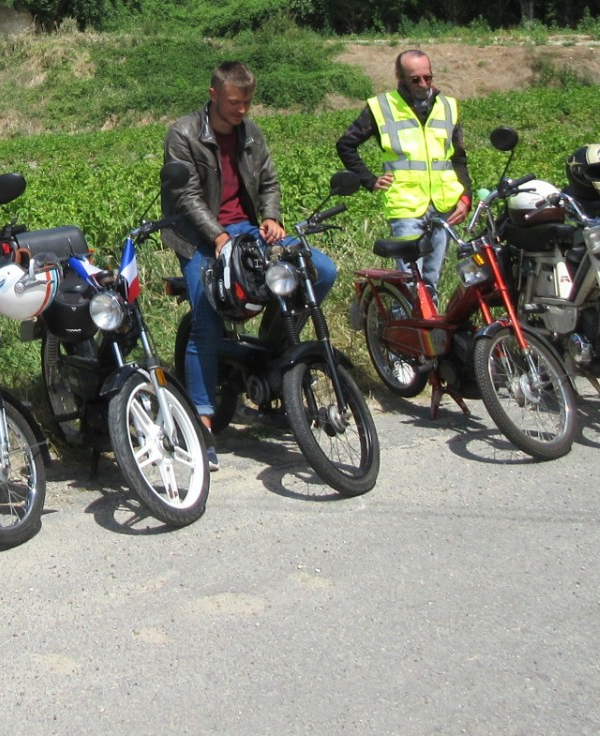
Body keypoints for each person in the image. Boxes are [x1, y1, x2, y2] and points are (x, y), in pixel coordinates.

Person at [163, 60, 337, 469]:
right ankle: (202, 422)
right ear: (213, 96)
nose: (241, 111)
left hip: (248, 230)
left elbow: (270, 182)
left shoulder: (251, 133)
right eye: (234, 103)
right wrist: (219, 238)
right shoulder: (184, 134)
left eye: (247, 103)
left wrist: (271, 218)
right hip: (197, 236)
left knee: (321, 271)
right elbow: (187, 196)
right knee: (205, 318)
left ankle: (275, 353)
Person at [336, 48, 471, 290]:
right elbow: (346, 144)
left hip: (443, 205)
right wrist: (369, 180)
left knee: (432, 280)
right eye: (415, 79)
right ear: (400, 78)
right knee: (410, 282)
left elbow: (458, 158)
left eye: (428, 77)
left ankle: (428, 329)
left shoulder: (448, 106)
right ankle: (404, 326)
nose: (423, 84)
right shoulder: (381, 107)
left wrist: (466, 197)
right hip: (406, 206)